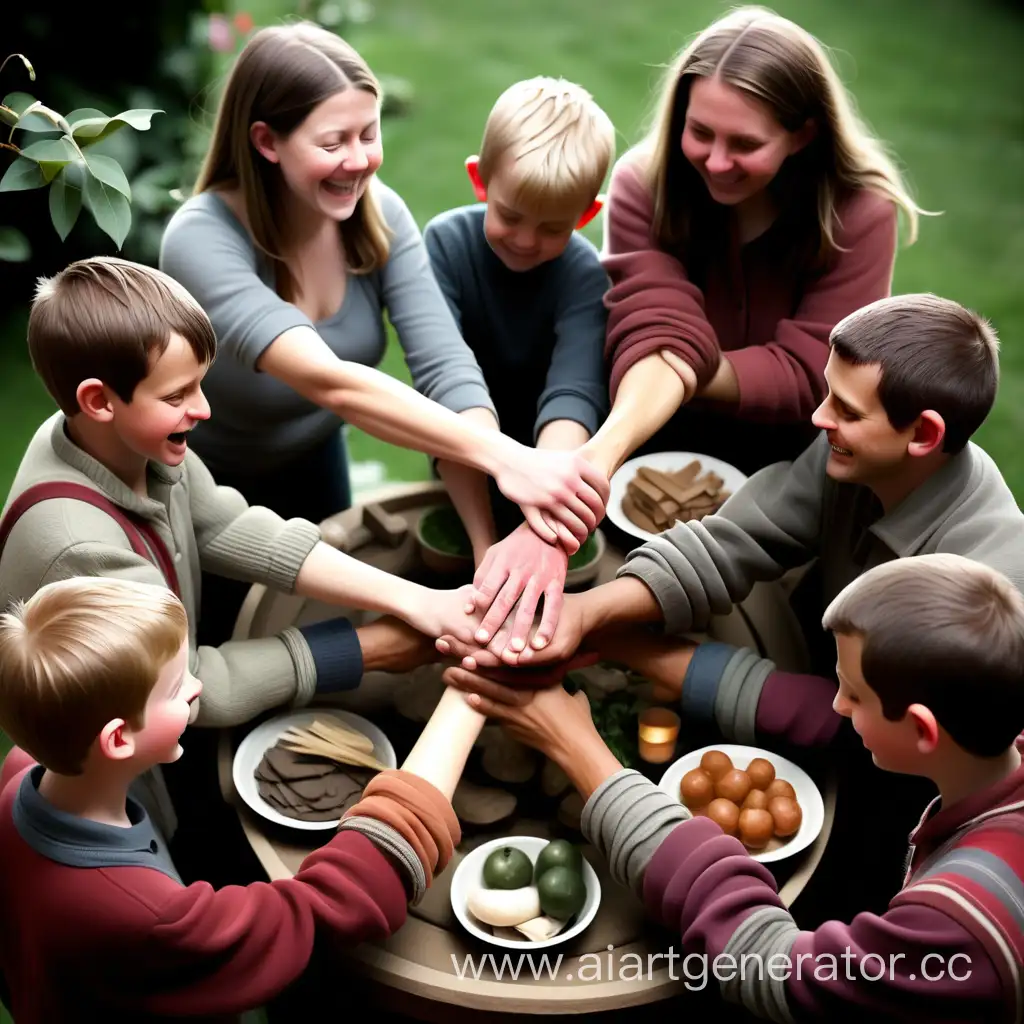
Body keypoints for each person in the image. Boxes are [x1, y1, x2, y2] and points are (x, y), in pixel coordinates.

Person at [439, 293, 1024, 908]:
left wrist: (631, 651)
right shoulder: (855, 456)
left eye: (846, 411)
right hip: (851, 696)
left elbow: (851, 718)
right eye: (827, 393)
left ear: (925, 434)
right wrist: (590, 612)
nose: (820, 419)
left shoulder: (978, 582)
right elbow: (732, 542)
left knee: (845, 887)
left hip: (911, 786)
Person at [0, 256, 477, 884]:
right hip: (125, 778)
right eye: (176, 395)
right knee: (175, 866)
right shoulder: (78, 548)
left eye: (201, 382)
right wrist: (370, 649)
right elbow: (197, 683)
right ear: (98, 400)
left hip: (160, 724)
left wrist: (412, 597)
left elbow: (224, 525)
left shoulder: (116, 440)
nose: (203, 409)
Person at [159, 22, 606, 645]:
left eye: (368, 134)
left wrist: (486, 552)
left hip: (318, 470)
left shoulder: (378, 215)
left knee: (312, 642)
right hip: (197, 490)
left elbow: (448, 372)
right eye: (334, 141)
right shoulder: (201, 240)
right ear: (266, 141)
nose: (360, 159)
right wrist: (512, 459)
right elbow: (329, 380)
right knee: (205, 659)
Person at [445, 553, 1024, 1023]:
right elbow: (823, 720)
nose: (836, 703)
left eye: (851, 692)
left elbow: (773, 969)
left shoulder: (955, 931)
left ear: (923, 728)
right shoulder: (994, 733)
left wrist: (578, 748)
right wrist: (618, 642)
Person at [0, 575, 467, 1022]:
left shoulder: (19, 775)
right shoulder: (151, 916)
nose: (196, 686)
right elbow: (322, 909)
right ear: (119, 739)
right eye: (176, 686)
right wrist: (465, 700)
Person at [578, 6, 927, 488]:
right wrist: (599, 456)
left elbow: (820, 374)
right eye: (700, 132)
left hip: (792, 465)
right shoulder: (643, 183)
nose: (717, 162)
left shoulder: (861, 211)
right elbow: (651, 320)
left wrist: (680, 364)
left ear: (803, 134)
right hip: (651, 436)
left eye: (745, 143)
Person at [423, 75, 615, 647]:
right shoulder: (445, 246)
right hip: (460, 447)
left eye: (553, 227)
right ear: (479, 179)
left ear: (587, 214)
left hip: (553, 459)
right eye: (510, 215)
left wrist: (541, 509)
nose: (527, 240)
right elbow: (447, 389)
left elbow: (573, 397)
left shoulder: (585, 275)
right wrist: (488, 554)